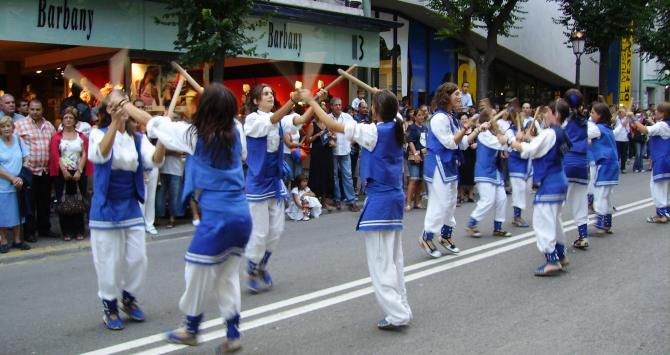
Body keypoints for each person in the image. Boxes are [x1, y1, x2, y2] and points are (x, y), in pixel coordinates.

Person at [114, 84, 251, 353]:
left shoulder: (194, 135)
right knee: (227, 276)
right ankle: (232, 333)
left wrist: (124, 104)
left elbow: (151, 122)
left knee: (196, 271)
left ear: (205, 109)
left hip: (217, 217)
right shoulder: (238, 131)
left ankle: (191, 328)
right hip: (241, 217)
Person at [303, 87, 412, 330]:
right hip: (393, 199)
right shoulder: (397, 125)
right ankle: (401, 307)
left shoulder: (373, 132)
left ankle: (397, 314)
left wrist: (312, 101)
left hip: (381, 202)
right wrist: (382, 95)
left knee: (381, 262)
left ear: (374, 109)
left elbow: (331, 123)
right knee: (394, 260)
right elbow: (394, 112)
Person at [87, 99, 165, 331]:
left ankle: (128, 298)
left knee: (138, 257)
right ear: (107, 112)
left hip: (130, 204)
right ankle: (109, 305)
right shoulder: (96, 134)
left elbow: (155, 160)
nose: (121, 111)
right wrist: (114, 123)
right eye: (113, 108)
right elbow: (101, 154)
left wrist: (164, 137)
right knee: (107, 260)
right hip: (105, 206)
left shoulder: (137, 139)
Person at [243, 83, 315, 293]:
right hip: (257, 182)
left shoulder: (281, 117)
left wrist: (314, 101)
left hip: (274, 181)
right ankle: (251, 269)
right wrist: (293, 100)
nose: (270, 96)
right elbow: (272, 120)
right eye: (265, 94)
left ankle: (262, 266)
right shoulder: (252, 120)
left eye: (271, 94)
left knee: (276, 230)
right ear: (256, 101)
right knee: (259, 233)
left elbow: (300, 120)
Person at [510, 99, 570, 276]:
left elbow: (529, 150)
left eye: (549, 111)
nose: (545, 114)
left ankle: (552, 261)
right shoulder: (561, 133)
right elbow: (543, 145)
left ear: (556, 114)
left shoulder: (550, 133)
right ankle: (561, 255)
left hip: (550, 182)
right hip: (560, 179)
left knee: (543, 222)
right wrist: (529, 139)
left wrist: (508, 141)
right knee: (555, 221)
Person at [419, 83, 478, 258]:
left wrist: (477, 130)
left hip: (449, 164)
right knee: (440, 202)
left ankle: (445, 236)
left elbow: (463, 143)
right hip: (437, 165)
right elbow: (450, 143)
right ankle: (426, 237)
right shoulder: (438, 119)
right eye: (457, 94)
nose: (460, 97)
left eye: (460, 94)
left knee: (451, 202)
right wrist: (467, 127)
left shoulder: (450, 117)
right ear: (447, 96)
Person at [14, 99, 56, 242]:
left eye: (37, 109)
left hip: (45, 170)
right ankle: (29, 231)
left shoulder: (49, 126)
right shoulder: (19, 125)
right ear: (28, 110)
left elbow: (54, 147)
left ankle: (44, 228)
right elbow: (13, 145)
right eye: (32, 109)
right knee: (29, 202)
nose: (35, 112)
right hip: (29, 170)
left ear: (42, 110)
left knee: (44, 201)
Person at [465, 110, 512, 238]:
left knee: (502, 199)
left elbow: (505, 147)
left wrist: (508, 139)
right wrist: (505, 139)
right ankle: (471, 224)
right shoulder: (483, 134)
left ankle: (498, 228)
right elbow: (498, 144)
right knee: (487, 200)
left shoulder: (491, 133)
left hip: (494, 172)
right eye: (493, 117)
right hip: (483, 171)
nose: (495, 120)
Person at [49, 107, 91, 241]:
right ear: (62, 120)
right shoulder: (56, 137)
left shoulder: (81, 136)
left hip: (79, 173)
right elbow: (56, 155)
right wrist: (64, 170)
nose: (68, 120)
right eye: (65, 118)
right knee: (63, 202)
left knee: (79, 201)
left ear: (75, 121)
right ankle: (66, 231)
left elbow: (85, 153)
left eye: (70, 118)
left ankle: (79, 230)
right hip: (63, 174)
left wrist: (79, 170)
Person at [561, 89, 590, 247]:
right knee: (580, 202)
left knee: (557, 203)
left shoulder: (564, 119)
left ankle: (555, 240)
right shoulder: (585, 120)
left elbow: (558, 140)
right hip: (582, 164)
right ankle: (583, 236)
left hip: (566, 162)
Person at [632, 102, 670, 223]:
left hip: (661, 160)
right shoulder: (665, 125)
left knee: (657, 187)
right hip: (667, 159)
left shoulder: (662, 125)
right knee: (666, 188)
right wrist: (650, 121)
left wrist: (632, 118)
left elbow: (644, 130)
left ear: (663, 113)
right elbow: (659, 129)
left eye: (657, 111)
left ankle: (661, 215)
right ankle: (667, 212)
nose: (655, 112)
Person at [0, 116, 31, 252]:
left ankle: (18, 240)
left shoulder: (18, 139)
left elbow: (26, 158)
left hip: (19, 183)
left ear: (13, 127)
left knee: (19, 211)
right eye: (3, 126)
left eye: (9, 126)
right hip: (3, 185)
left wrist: (20, 178)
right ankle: (3, 240)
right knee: (3, 213)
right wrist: (12, 178)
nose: (6, 129)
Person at [588, 103, 619, 236]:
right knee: (606, 196)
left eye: (593, 112)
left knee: (600, 195)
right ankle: (607, 224)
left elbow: (583, 133)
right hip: (613, 165)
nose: (590, 114)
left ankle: (600, 226)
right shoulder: (608, 129)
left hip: (604, 164)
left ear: (599, 115)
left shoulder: (597, 129)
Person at [328, 97, 359, 212]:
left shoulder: (347, 117)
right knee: (335, 176)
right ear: (331, 106)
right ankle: (337, 199)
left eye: (340, 105)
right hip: (333, 151)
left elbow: (356, 130)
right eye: (336, 105)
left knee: (347, 176)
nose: (339, 107)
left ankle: (351, 200)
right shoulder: (327, 118)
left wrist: (351, 142)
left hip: (345, 150)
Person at [505, 108, 532, 227]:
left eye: (522, 118)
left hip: (526, 162)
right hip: (515, 162)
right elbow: (512, 144)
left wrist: (528, 138)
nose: (520, 120)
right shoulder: (509, 131)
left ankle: (518, 215)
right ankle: (516, 217)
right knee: (518, 189)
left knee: (525, 190)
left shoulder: (528, 130)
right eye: (518, 118)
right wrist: (518, 138)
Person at [307, 115, 335, 211]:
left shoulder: (327, 124)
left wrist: (332, 137)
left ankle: (324, 200)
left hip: (327, 152)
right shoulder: (312, 124)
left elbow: (334, 136)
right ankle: (315, 200)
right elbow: (307, 140)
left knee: (327, 175)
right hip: (317, 153)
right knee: (317, 175)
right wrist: (317, 135)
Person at [405, 105, 428, 211]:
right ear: (414, 117)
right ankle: (408, 203)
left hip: (424, 155)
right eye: (419, 115)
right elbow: (410, 141)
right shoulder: (411, 127)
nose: (421, 117)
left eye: (422, 115)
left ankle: (417, 202)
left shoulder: (425, 128)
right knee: (413, 179)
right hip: (414, 156)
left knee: (420, 180)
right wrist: (415, 154)